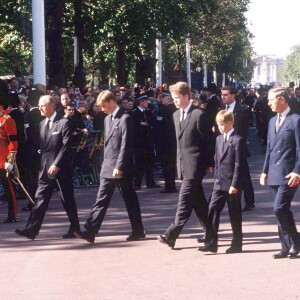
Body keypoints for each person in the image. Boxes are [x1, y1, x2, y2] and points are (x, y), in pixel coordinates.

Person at [75, 90, 145, 244]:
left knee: (129, 199)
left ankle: (138, 230)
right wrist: (104, 163)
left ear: (112, 102)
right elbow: (108, 145)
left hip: (121, 167)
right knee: (101, 199)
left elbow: (126, 145)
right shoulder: (107, 119)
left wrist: (119, 165)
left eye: (104, 106)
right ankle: (90, 230)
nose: (102, 109)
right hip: (108, 166)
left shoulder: (125, 118)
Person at [14, 95, 80, 240]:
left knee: (67, 199)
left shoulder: (64, 123)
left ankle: (75, 228)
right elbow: (44, 149)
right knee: (40, 199)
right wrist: (42, 167)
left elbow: (66, 146)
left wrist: (56, 164)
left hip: (61, 169)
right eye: (39, 105)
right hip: (45, 169)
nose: (40, 108)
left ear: (51, 105)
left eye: (42, 105)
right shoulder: (42, 124)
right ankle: (31, 230)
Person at [157, 81, 213, 249]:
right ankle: (211, 234)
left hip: (196, 164)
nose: (175, 101)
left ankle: (171, 235)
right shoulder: (175, 115)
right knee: (199, 203)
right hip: (183, 164)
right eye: (173, 98)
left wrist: (209, 163)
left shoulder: (199, 114)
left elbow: (207, 142)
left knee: (184, 202)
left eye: (177, 97)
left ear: (187, 96)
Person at [260, 87, 300, 259]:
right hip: (274, 172)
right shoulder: (271, 121)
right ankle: (285, 246)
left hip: (289, 173)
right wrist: (264, 171)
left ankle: (296, 241)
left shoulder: (296, 120)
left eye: (271, 100)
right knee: (283, 211)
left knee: (279, 208)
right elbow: (269, 149)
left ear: (282, 100)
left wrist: (297, 171)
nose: (268, 103)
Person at [199, 110, 246, 254]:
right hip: (219, 183)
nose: (220, 127)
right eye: (218, 124)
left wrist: (235, 184)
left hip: (232, 184)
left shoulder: (238, 140)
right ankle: (212, 243)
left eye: (222, 124)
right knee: (212, 210)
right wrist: (215, 181)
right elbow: (217, 161)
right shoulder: (219, 139)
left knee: (234, 214)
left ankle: (237, 244)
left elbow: (239, 164)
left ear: (230, 123)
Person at [221, 86, 255, 211]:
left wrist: (236, 143)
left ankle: (249, 201)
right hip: (224, 147)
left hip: (238, 146)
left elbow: (243, 130)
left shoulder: (242, 110)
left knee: (244, 175)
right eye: (222, 94)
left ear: (233, 95)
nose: (223, 97)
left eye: (226, 94)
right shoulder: (221, 109)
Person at [0, 80, 18, 223]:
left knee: (8, 189)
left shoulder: (7, 120)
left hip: (3, 160)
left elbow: (13, 141)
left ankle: (12, 215)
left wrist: (10, 161)